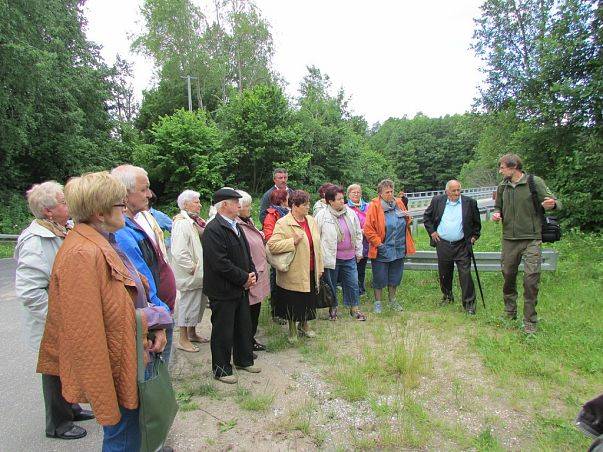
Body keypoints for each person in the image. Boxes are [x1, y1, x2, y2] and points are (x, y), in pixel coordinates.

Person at [36, 172, 172, 451]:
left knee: (132, 432)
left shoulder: (103, 242)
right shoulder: (82, 254)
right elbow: (86, 331)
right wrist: (149, 324)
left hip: (133, 353)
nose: (125, 210)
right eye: (120, 205)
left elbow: (131, 294)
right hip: (118, 364)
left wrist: (155, 324)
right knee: (122, 437)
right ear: (99, 212)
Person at [15, 181, 94, 440]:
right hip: (52, 323)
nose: (68, 205)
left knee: (67, 366)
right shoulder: (36, 240)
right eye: (63, 201)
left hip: (66, 318)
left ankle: (70, 407)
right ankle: (57, 424)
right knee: (54, 370)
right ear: (49, 211)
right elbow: (29, 291)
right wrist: (58, 319)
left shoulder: (61, 230)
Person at [111, 165, 176, 365]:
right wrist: (158, 315)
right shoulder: (121, 230)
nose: (149, 194)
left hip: (157, 313)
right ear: (125, 194)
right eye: (144, 189)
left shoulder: (134, 222)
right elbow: (140, 282)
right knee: (152, 380)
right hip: (152, 318)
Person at [492, 153, 561, 334]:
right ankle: (509, 312)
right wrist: (497, 214)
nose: (500, 171)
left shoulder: (533, 182)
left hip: (532, 238)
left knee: (531, 279)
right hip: (509, 239)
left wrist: (552, 204)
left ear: (514, 167)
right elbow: (498, 206)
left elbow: (557, 203)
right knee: (508, 275)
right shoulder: (502, 187)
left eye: (502, 167)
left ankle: (530, 321)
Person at [202, 188, 260, 384]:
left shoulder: (236, 225)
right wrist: (244, 277)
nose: (239, 205)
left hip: (240, 287)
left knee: (243, 325)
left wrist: (251, 273)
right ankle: (221, 369)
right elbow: (220, 263)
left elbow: (246, 253)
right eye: (236, 202)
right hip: (223, 290)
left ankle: (244, 360)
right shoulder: (213, 229)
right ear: (224, 204)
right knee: (223, 331)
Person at [268, 190, 324, 344]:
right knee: (294, 301)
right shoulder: (283, 223)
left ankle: (304, 326)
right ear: (294, 206)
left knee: (309, 299)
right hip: (293, 270)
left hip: (311, 268)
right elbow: (272, 246)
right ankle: (292, 329)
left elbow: (318, 245)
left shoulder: (311, 221)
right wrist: (291, 241)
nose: (308, 207)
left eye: (308, 204)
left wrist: (320, 267)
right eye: (305, 204)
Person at [423, 180, 482, 314]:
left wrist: (474, 236)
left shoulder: (470, 203)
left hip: (462, 244)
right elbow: (427, 217)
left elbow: (477, 224)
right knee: (444, 273)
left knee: (465, 274)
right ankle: (447, 296)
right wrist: (432, 232)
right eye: (453, 191)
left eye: (458, 190)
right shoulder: (438, 201)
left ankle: (469, 304)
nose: (456, 193)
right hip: (443, 243)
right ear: (447, 191)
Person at [364, 179, 416, 313]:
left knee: (395, 276)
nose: (390, 194)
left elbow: (406, 218)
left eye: (392, 191)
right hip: (382, 248)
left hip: (399, 247)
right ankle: (378, 303)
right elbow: (368, 229)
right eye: (387, 192)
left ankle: (393, 300)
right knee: (379, 277)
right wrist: (379, 244)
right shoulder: (374, 206)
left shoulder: (398, 203)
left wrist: (409, 220)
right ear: (380, 193)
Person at [315, 185, 365, 321]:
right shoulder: (321, 216)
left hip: (349, 256)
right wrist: (319, 258)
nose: (342, 201)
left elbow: (358, 232)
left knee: (353, 283)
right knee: (331, 285)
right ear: (330, 201)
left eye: (343, 198)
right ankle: (333, 308)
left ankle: (354, 309)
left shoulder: (350, 213)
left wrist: (359, 251)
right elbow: (316, 238)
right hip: (332, 257)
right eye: (339, 199)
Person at [171, 190, 208, 353]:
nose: (199, 205)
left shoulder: (196, 221)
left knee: (198, 304)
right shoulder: (182, 223)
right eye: (196, 202)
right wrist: (193, 268)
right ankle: (182, 339)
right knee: (187, 304)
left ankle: (192, 333)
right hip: (190, 273)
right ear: (185, 204)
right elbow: (179, 251)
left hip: (199, 272)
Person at [236, 190, 270, 352]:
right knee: (247, 311)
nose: (251, 208)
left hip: (259, 271)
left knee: (255, 308)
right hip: (248, 274)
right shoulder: (236, 224)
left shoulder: (247, 220)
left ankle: (250, 339)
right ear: (238, 207)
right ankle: (245, 343)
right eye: (247, 206)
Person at [262, 188, 289, 325]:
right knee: (276, 284)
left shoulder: (288, 213)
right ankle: (276, 312)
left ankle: (287, 310)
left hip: (289, 254)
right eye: (287, 198)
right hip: (278, 256)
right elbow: (269, 236)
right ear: (283, 200)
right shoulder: (271, 215)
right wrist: (287, 241)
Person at [347, 183, 370, 296]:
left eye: (358, 192)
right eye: (353, 192)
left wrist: (368, 230)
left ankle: (361, 289)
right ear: (349, 194)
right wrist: (359, 231)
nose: (356, 194)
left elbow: (372, 221)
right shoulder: (345, 208)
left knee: (361, 268)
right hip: (351, 243)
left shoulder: (367, 206)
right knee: (352, 268)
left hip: (365, 242)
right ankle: (352, 289)